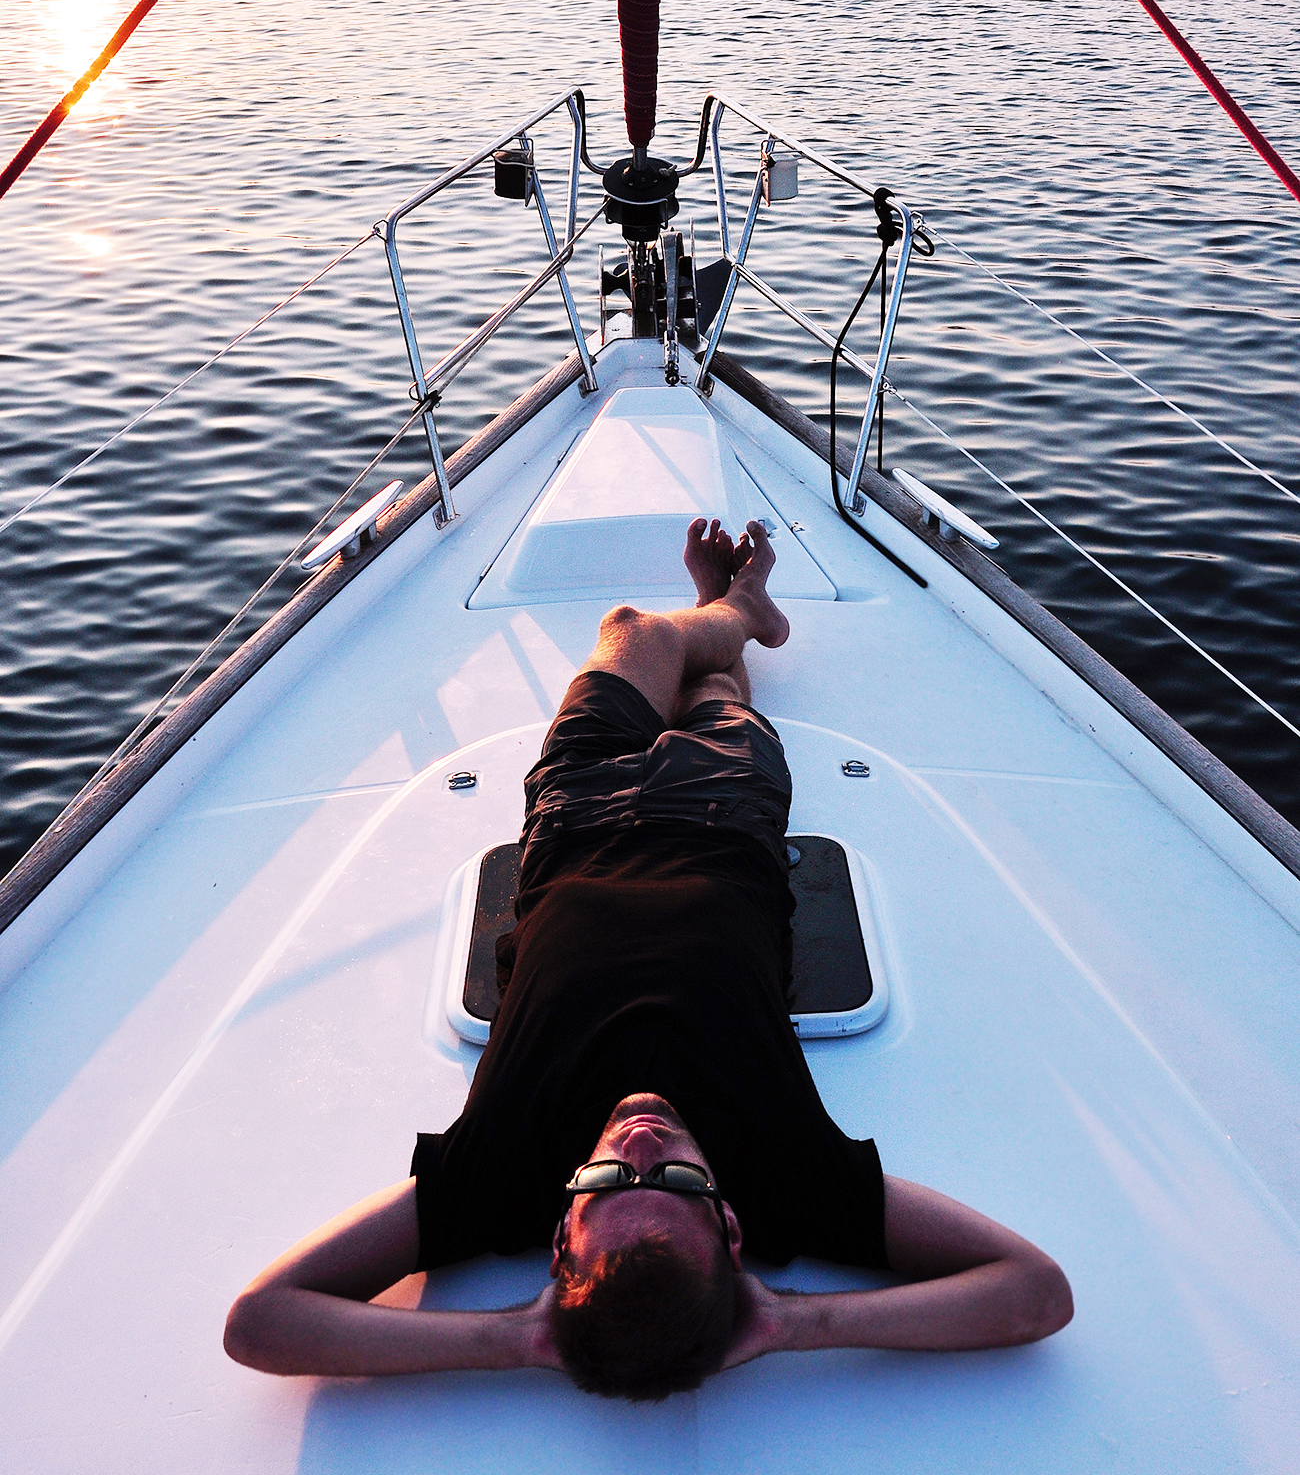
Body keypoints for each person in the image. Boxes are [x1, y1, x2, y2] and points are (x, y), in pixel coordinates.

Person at [225, 518, 1072, 1399]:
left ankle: (736, 608)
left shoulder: (499, 1179)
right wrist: (789, 1321)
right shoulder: (791, 1179)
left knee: (632, 629)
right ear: (733, 1228)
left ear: (561, 1235)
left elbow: (261, 1320)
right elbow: (1034, 1292)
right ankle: (736, 614)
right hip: (722, 815)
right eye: (676, 1177)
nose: (639, 1139)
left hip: (575, 818)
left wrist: (515, 1339)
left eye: (602, 1179)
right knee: (714, 692)